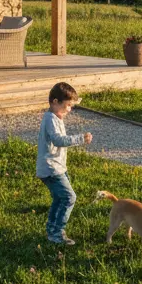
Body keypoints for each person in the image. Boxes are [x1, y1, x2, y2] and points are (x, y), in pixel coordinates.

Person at [36, 82, 92, 245]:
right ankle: (58, 233)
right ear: (55, 102)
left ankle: (52, 230)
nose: (70, 109)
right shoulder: (50, 119)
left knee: (59, 198)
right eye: (68, 105)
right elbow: (58, 140)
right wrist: (80, 138)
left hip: (57, 167)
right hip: (51, 168)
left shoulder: (55, 117)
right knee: (69, 197)